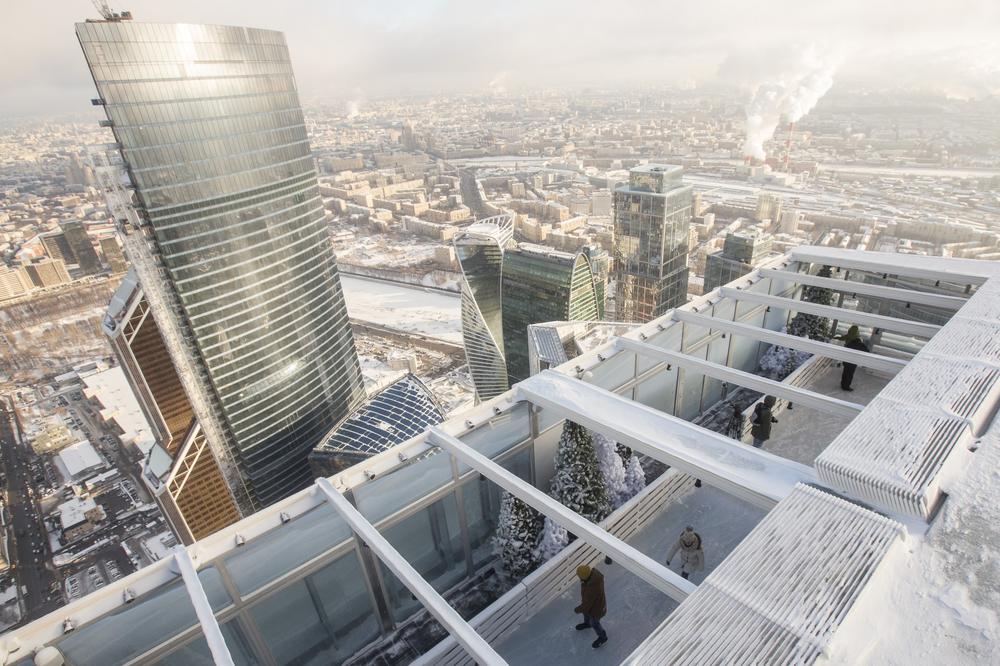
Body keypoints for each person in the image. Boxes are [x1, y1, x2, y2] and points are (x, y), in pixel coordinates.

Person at [573, 564, 608, 649]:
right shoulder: (592, 576)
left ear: (584, 577)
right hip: (592, 605)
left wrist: (578, 609)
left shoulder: (592, 588)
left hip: (597, 609)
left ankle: (603, 637)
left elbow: (586, 605)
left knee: (595, 623)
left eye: (580, 576)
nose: (579, 578)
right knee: (586, 613)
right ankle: (587, 624)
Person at [836, 325, 870, 391]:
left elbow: (842, 338)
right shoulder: (858, 342)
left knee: (845, 372)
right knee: (850, 374)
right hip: (853, 360)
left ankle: (843, 384)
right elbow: (866, 351)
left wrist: (836, 337)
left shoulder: (848, 336)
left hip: (846, 358)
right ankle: (846, 386)